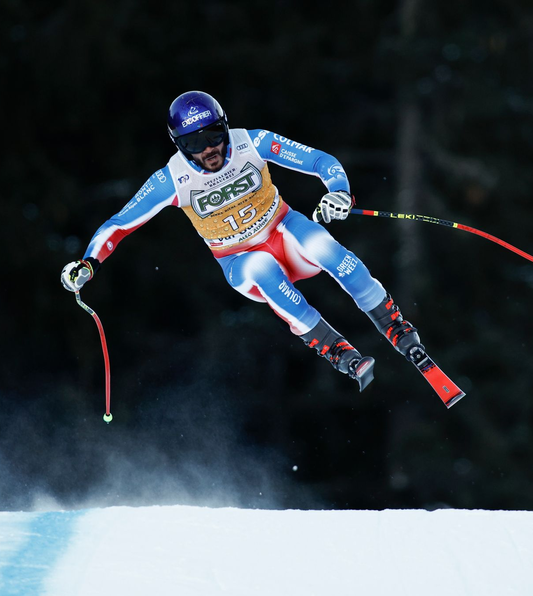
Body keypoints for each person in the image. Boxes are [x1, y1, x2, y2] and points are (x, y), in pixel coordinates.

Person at [61, 91, 425, 391]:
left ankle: (394, 324)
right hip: (240, 261)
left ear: (226, 126)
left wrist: (339, 193)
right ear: (178, 145)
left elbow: (320, 161)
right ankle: (338, 351)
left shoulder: (252, 142)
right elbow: (120, 224)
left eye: (214, 135)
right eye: (194, 143)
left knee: (321, 245)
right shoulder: (171, 179)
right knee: (263, 267)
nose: (209, 149)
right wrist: (88, 263)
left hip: (284, 231)